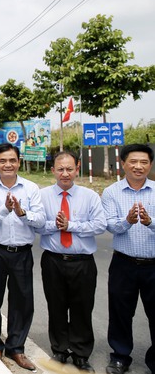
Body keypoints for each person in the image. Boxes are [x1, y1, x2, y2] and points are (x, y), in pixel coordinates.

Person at [0, 143, 45, 372]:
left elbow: (41, 220)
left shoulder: (31, 188)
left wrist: (21, 213)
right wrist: (5, 210)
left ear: (18, 162)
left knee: (22, 301)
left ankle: (16, 348)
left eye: (12, 160)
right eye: (3, 161)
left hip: (22, 252)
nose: (8, 165)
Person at [38, 151, 106, 372]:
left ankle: (80, 353)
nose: (65, 174)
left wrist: (71, 225)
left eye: (69, 169)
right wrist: (55, 225)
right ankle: (59, 349)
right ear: (53, 171)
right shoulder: (43, 195)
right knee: (56, 306)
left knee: (82, 308)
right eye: (60, 169)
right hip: (53, 261)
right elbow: (37, 225)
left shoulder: (90, 196)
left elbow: (99, 225)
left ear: (77, 168)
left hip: (82, 262)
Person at [102, 144, 155, 374]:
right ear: (123, 164)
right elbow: (110, 225)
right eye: (133, 162)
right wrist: (128, 221)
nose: (138, 166)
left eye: (144, 162)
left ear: (150, 165)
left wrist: (149, 222)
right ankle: (120, 356)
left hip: (153, 265)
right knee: (120, 312)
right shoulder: (111, 192)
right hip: (123, 263)